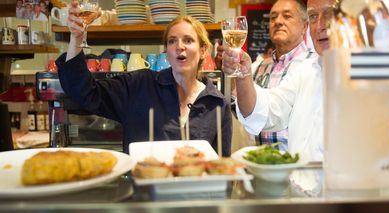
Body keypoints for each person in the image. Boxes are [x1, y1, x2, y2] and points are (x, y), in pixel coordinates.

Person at [56, 0, 232, 155]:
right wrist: (76, 39)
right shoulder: (138, 86)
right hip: (143, 190)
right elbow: (85, 92)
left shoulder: (216, 103)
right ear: (167, 52)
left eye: (188, 40)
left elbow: (222, 163)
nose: (179, 46)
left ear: (203, 51)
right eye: (172, 41)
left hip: (196, 191)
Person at [222, 0, 335, 162]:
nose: (319, 26)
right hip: (291, 180)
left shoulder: (372, 72)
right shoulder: (306, 71)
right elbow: (268, 110)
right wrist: (243, 74)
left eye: (329, 14)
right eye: (313, 16)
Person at [250, 0, 310, 152]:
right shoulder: (259, 68)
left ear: (304, 26)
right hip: (261, 163)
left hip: (299, 166)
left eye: (287, 16)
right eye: (273, 17)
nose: (278, 22)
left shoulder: (314, 65)